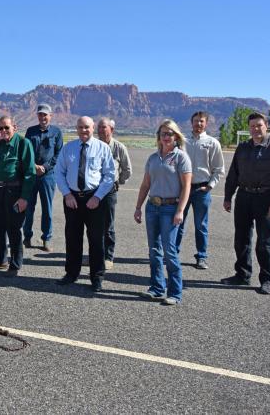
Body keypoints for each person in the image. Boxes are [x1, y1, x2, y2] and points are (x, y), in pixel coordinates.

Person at [222, 112, 270, 295]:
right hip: (244, 196)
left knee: (264, 242)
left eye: (259, 125)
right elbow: (233, 175)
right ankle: (242, 274)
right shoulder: (243, 147)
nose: (255, 129)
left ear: (266, 126)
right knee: (241, 239)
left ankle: (267, 279)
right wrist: (228, 197)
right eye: (252, 126)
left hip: (266, 198)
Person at [134, 119, 192, 306]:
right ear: (158, 136)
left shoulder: (181, 158)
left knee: (170, 251)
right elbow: (145, 185)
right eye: (163, 134)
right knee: (154, 251)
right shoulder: (153, 158)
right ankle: (157, 288)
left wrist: (180, 211)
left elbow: (186, 187)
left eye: (170, 134)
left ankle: (175, 292)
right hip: (152, 207)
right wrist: (138, 207)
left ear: (176, 137)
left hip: (170, 209)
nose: (166, 137)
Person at [55, 116, 114, 291]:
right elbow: (59, 173)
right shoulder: (69, 149)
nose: (83, 130)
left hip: (94, 199)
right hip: (72, 199)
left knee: (96, 239)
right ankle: (71, 273)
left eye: (87, 127)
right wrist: (67, 194)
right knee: (72, 237)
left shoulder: (102, 148)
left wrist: (98, 197)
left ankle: (96, 277)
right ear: (76, 128)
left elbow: (110, 175)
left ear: (93, 127)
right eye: (80, 127)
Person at [0, 116, 35, 277]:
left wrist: (24, 198)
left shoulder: (23, 144)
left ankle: (15, 264)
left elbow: (30, 173)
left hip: (14, 192)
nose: (4, 131)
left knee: (14, 229)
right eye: (1, 128)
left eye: (7, 128)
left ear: (15, 127)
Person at [175, 111, 225, 270]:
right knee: (178, 221)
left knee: (201, 225)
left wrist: (209, 186)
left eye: (201, 121)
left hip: (201, 189)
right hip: (183, 189)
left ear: (206, 123)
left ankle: (201, 256)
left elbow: (219, 169)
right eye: (196, 121)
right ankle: (173, 253)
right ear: (191, 123)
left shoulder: (212, 143)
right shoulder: (182, 142)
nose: (198, 124)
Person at [23, 103, 63, 251]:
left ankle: (46, 238)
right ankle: (27, 237)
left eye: (45, 114)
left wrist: (45, 168)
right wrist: (33, 166)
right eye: (40, 114)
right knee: (28, 207)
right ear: (37, 116)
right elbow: (26, 151)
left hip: (48, 176)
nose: (42, 117)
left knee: (47, 208)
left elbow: (58, 154)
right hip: (31, 175)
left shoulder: (56, 132)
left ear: (50, 116)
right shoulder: (30, 131)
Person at [97, 117, 132, 270]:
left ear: (112, 130)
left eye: (103, 127)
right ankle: (96, 255)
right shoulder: (94, 146)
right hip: (93, 191)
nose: (100, 130)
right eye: (98, 127)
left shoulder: (119, 147)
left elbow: (127, 170)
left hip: (110, 191)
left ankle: (108, 257)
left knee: (108, 225)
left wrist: (118, 183)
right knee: (94, 225)